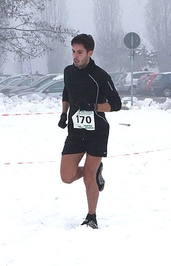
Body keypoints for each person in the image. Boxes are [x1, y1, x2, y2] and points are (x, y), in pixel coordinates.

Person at [58, 34, 122, 229]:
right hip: (76, 132)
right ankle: (94, 172)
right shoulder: (68, 71)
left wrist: (94, 107)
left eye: (79, 52)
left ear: (90, 53)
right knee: (66, 177)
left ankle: (91, 216)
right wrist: (63, 113)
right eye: (73, 52)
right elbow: (67, 92)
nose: (75, 56)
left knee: (88, 177)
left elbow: (116, 104)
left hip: (97, 132)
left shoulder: (100, 76)